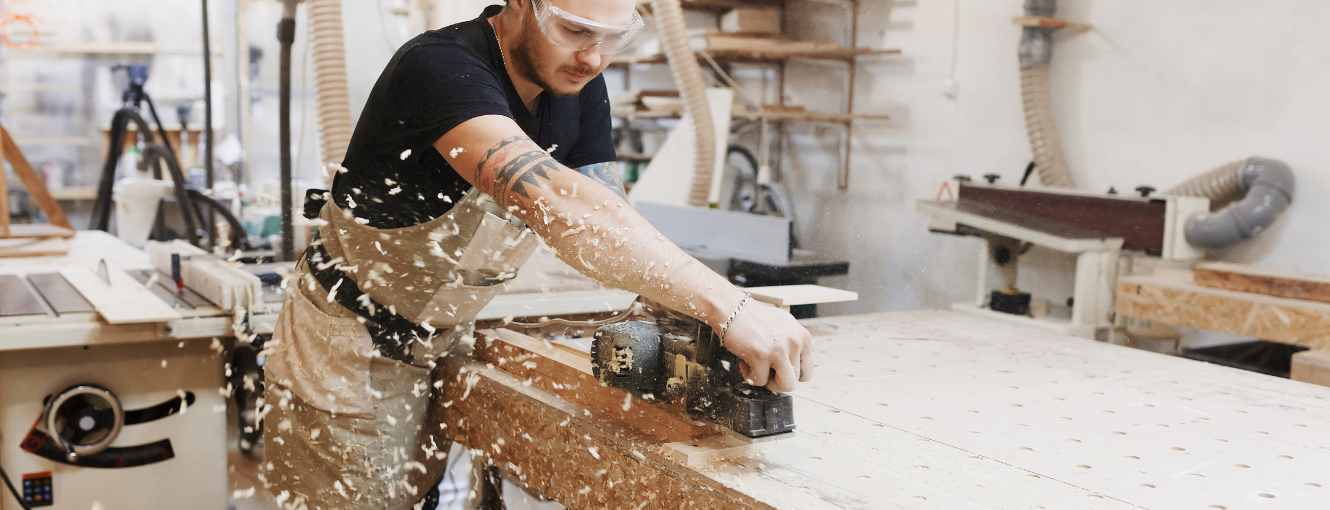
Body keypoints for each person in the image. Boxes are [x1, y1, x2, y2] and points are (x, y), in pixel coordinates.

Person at [261, 0, 814, 508]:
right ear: (521, 4)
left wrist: (693, 318)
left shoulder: (576, 84)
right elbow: (555, 200)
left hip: (439, 342)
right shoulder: (438, 68)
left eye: (612, 37)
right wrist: (730, 307)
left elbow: (610, 214)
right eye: (574, 30)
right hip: (345, 350)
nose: (594, 57)